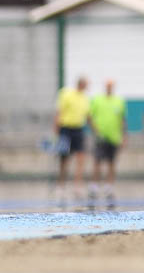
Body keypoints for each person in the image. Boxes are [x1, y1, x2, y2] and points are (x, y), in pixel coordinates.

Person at [86, 79, 126, 210]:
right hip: (100, 137)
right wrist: (95, 130)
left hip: (114, 137)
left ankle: (109, 187)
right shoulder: (97, 100)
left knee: (111, 162)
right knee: (97, 161)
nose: (109, 88)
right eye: (107, 86)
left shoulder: (119, 101)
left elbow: (122, 120)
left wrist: (123, 136)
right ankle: (95, 186)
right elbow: (89, 116)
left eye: (111, 86)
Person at [53, 75, 89, 205]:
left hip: (78, 129)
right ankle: (61, 185)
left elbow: (87, 115)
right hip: (66, 129)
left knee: (81, 157)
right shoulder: (66, 94)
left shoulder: (84, 98)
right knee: (64, 159)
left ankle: (77, 186)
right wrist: (56, 129)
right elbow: (59, 112)